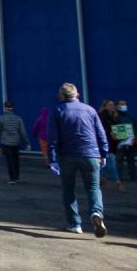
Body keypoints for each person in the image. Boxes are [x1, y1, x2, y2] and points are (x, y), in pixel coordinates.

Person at [48, 83, 110, 238]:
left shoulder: (57, 111)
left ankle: (75, 224)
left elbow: (53, 138)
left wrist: (53, 159)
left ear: (61, 96)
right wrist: (103, 153)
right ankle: (96, 212)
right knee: (93, 188)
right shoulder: (90, 110)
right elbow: (100, 133)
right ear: (77, 94)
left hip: (67, 155)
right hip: (90, 154)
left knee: (69, 189)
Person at [0, 100, 31, 184]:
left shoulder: (0, 118)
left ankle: (12, 178)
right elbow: (23, 132)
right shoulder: (18, 118)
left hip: (6, 142)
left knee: (10, 161)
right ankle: (17, 177)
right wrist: (28, 142)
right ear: (13, 107)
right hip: (16, 142)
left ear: (4, 107)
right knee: (16, 160)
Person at [97, 99, 127, 193]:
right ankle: (118, 182)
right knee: (111, 162)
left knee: (106, 163)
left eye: (113, 105)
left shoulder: (115, 116)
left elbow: (119, 129)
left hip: (113, 143)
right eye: (109, 105)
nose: (112, 106)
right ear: (105, 106)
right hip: (105, 143)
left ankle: (102, 180)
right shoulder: (101, 116)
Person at [112, 98, 137, 181]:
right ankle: (119, 176)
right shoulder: (115, 116)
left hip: (131, 141)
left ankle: (134, 176)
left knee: (131, 159)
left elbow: (136, 127)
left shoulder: (130, 116)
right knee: (119, 159)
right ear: (117, 106)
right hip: (120, 142)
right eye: (121, 104)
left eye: (124, 104)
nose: (123, 106)